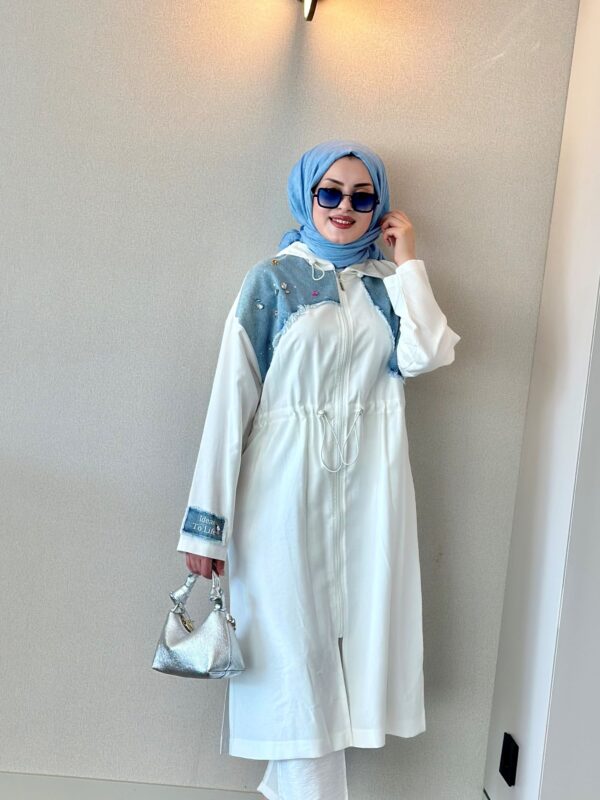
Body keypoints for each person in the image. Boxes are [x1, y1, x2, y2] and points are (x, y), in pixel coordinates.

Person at [177, 140, 461, 800]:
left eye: (362, 196)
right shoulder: (272, 280)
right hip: (281, 493)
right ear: (306, 197)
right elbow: (231, 401)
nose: (344, 206)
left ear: (380, 206)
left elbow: (427, 354)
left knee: (346, 665)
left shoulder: (387, 286)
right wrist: (206, 526)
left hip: (372, 497)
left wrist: (408, 262)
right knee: (292, 663)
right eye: (329, 192)